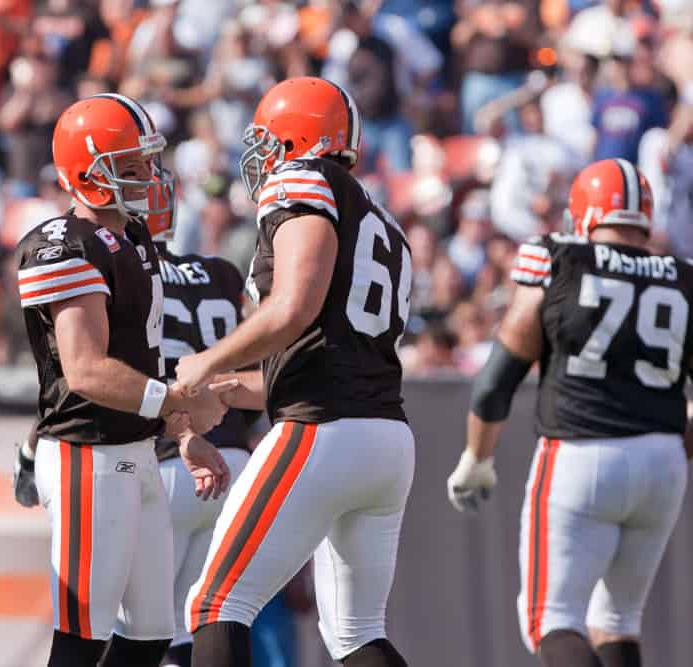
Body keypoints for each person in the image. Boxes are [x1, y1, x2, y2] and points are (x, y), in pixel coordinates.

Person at [175, 77, 415, 667]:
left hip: (322, 431)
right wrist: (233, 389)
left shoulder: (302, 178)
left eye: (267, 142)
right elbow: (324, 346)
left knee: (214, 604)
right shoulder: (382, 220)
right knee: (358, 633)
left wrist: (206, 360)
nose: (260, 159)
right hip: (384, 437)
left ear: (295, 139)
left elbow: (293, 309)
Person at [9, 93, 228, 667]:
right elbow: (86, 370)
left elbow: (145, 360)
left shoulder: (134, 240)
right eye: (129, 168)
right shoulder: (63, 244)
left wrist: (183, 433)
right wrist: (174, 400)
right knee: (82, 637)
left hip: (136, 450)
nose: (149, 178)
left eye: (148, 164)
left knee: (152, 635)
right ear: (86, 175)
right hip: (88, 453)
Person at [446, 159, 693, 667]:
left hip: (581, 451)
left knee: (549, 618)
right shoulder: (683, 275)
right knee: (619, 620)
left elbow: (499, 377)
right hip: (664, 460)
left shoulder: (558, 258)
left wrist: (478, 456)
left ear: (583, 214)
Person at [148, 197, 254, 667]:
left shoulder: (121, 270)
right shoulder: (223, 273)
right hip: (233, 458)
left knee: (133, 632)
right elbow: (253, 372)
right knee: (199, 624)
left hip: (169, 461)